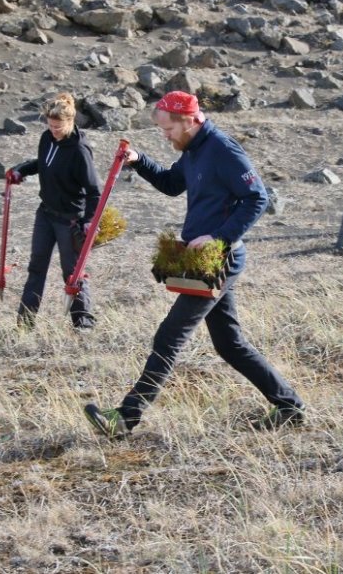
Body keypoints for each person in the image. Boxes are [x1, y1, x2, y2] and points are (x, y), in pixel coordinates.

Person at [84, 90, 305, 439]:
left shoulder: (223, 150)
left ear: (189, 120)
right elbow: (172, 184)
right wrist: (139, 160)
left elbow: (257, 198)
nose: (165, 136)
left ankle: (126, 417)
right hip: (202, 258)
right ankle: (289, 406)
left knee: (169, 336)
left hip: (219, 259)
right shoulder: (193, 150)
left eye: (168, 129)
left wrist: (219, 237)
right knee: (229, 343)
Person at [7, 93, 101, 331]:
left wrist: (89, 221)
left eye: (58, 127)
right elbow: (43, 163)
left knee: (72, 273)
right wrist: (20, 171)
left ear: (70, 122)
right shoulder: (47, 138)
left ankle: (83, 324)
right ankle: (24, 325)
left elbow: (94, 191)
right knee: (36, 268)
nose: (54, 131)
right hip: (46, 214)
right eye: (50, 126)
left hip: (70, 220)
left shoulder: (80, 150)